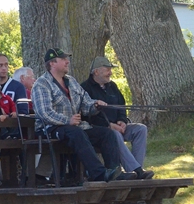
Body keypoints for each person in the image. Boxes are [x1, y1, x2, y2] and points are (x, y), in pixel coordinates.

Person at [32, 48, 136, 182]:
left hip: (75, 128)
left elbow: (86, 103)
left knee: (107, 134)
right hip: (50, 129)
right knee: (77, 133)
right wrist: (67, 120)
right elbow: (44, 113)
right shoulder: (41, 84)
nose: (67, 62)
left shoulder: (71, 82)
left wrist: (95, 105)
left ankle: (114, 172)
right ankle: (99, 174)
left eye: (67, 59)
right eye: (63, 59)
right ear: (52, 63)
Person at [81, 57, 154, 179]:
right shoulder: (85, 88)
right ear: (96, 72)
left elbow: (121, 105)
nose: (110, 73)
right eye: (107, 69)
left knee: (141, 129)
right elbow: (87, 115)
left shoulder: (112, 86)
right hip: (102, 130)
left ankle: (137, 170)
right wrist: (109, 125)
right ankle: (135, 170)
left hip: (118, 126)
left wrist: (122, 120)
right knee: (114, 134)